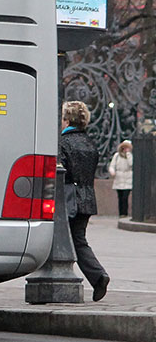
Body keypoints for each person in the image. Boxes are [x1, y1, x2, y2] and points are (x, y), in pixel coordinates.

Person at [59, 100, 109, 301]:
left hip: (69, 200)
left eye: (62, 118)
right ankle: (97, 276)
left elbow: (61, 172)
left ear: (67, 119)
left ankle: (92, 276)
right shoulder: (90, 143)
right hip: (87, 199)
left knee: (65, 240)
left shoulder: (63, 143)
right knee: (79, 240)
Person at [108, 140, 134, 219]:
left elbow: (131, 164)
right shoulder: (117, 156)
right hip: (119, 178)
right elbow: (112, 165)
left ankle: (125, 213)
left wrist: (128, 154)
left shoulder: (130, 155)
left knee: (125, 197)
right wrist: (112, 172)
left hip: (128, 179)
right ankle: (121, 213)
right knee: (120, 197)